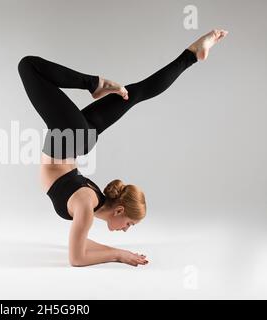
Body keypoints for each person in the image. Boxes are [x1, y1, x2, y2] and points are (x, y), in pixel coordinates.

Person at [17, 29, 228, 267]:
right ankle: (95, 83)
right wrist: (118, 254)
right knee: (28, 66)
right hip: (70, 138)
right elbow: (78, 257)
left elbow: (79, 249)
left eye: (130, 226)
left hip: (76, 139)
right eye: (130, 224)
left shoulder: (90, 205)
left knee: (136, 93)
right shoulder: (87, 206)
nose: (126, 230)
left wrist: (117, 252)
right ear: (119, 210)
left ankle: (191, 55)